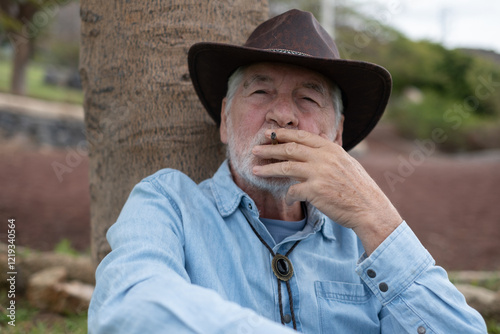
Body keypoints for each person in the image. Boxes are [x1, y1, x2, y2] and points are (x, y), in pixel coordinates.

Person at [88, 9, 487, 334]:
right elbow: (130, 309)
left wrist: (377, 217)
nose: (282, 115)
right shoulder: (168, 203)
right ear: (226, 119)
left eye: (308, 99)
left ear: (338, 134)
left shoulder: (364, 241)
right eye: (260, 92)